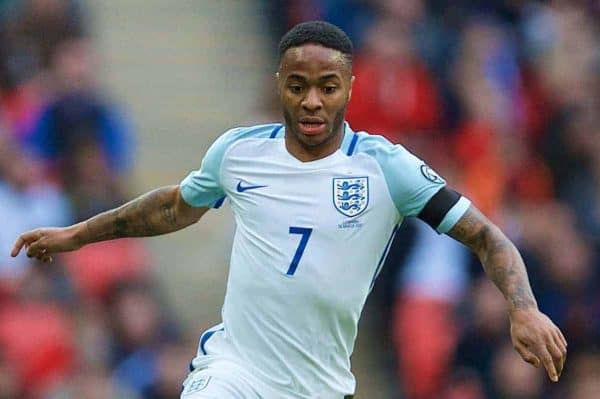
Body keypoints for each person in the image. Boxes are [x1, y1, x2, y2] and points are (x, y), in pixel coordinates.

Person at [11, 21, 567, 399]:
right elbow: (173, 207)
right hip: (235, 371)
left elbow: (486, 236)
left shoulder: (386, 168)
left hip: (318, 385)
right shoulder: (239, 151)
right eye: (298, 85)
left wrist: (523, 307)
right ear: (279, 82)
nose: (311, 101)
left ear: (349, 86)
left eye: (327, 86)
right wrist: (77, 234)